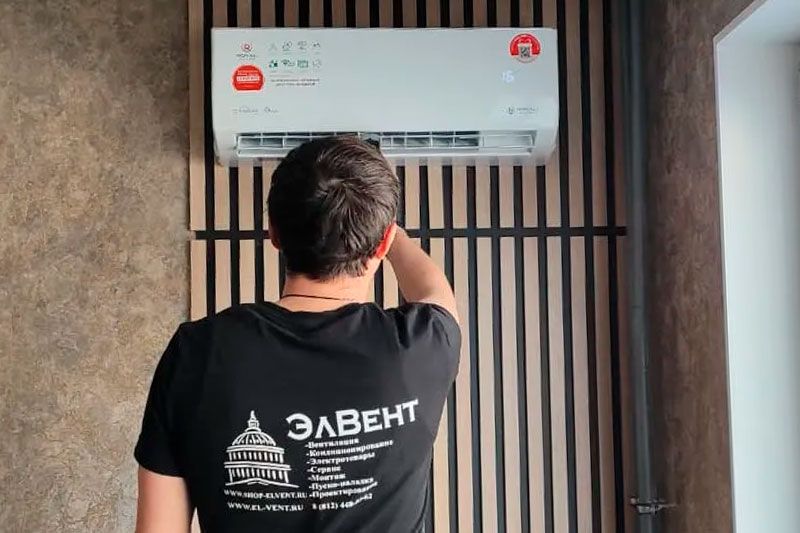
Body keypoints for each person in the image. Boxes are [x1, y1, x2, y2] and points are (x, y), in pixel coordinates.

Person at [134, 136, 460, 533]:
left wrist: (381, 234)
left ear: (273, 232)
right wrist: (388, 235)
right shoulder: (422, 348)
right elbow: (435, 294)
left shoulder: (197, 352)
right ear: (383, 244)